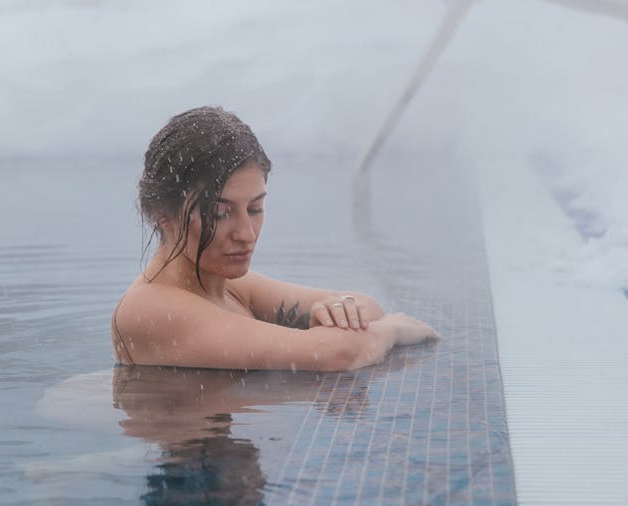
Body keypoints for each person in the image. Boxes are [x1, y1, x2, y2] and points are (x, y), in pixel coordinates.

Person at [112, 106, 439, 372]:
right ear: (163, 216)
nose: (246, 233)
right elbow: (335, 355)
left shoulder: (227, 286)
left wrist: (338, 311)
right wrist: (392, 330)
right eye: (221, 213)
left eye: (255, 208)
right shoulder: (150, 308)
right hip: (193, 454)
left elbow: (367, 306)